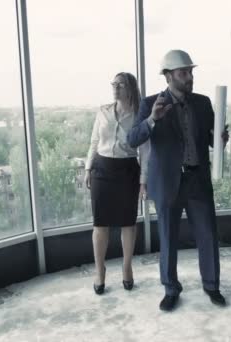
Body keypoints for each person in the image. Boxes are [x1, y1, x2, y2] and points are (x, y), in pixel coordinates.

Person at [127, 50, 228, 312]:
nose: (189, 77)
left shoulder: (204, 103)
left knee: (207, 235)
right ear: (169, 76)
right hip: (167, 182)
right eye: (183, 73)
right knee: (168, 238)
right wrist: (152, 120)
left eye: (191, 72)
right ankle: (171, 289)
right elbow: (132, 139)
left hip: (197, 178)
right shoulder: (150, 104)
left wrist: (221, 138)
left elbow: (211, 140)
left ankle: (212, 285)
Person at [85, 72, 149, 295]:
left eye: (120, 84)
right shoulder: (103, 111)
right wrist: (87, 168)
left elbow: (145, 151)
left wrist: (143, 181)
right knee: (100, 223)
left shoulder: (140, 114)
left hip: (127, 170)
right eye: (113, 84)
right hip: (101, 169)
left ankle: (126, 267)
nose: (115, 88)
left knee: (127, 223)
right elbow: (94, 141)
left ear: (130, 87)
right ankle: (99, 270)